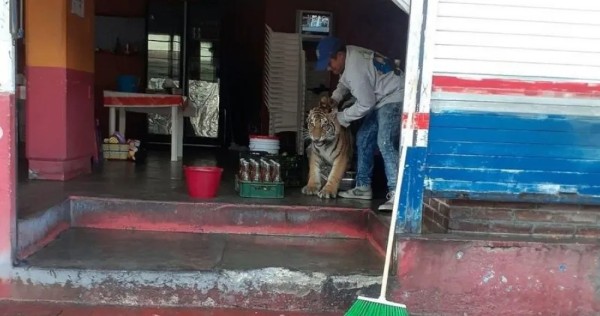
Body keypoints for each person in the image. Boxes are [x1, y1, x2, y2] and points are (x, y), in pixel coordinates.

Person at [315, 36, 404, 211]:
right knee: (363, 138)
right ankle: (363, 187)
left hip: (394, 96)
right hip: (380, 98)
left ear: (339, 56)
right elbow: (344, 82)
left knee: (384, 141)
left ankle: (397, 194)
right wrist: (335, 98)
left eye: (329, 62)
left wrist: (340, 118)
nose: (328, 67)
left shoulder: (355, 68)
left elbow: (365, 103)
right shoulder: (350, 54)